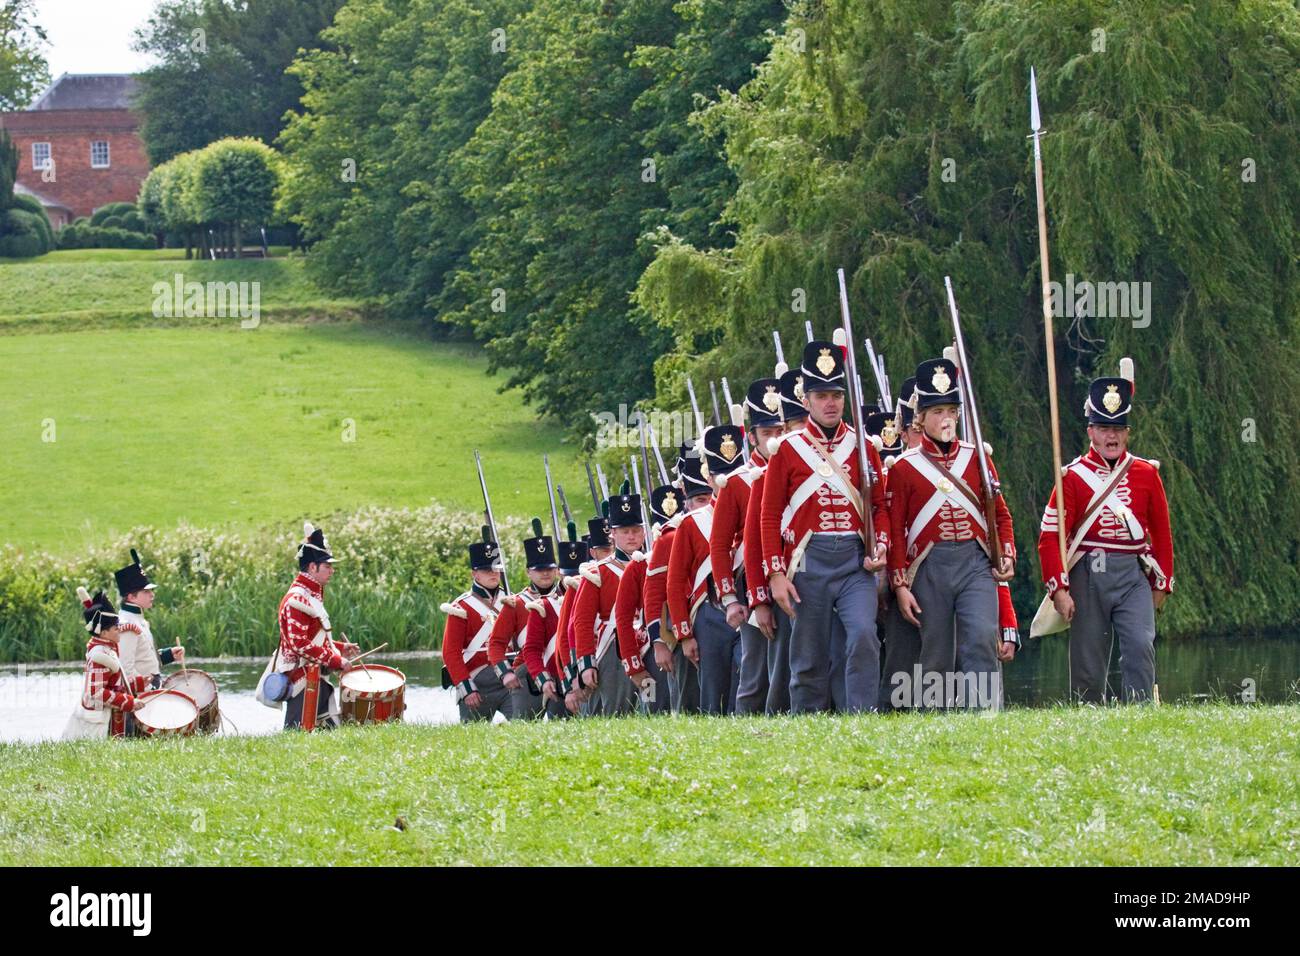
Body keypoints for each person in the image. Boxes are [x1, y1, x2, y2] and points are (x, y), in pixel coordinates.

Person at [760, 339, 890, 713]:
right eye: (821, 395)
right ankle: (807, 724)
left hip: (854, 560)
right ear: (807, 400)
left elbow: (879, 506)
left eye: (836, 394)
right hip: (808, 562)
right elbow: (769, 516)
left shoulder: (864, 447)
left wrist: (880, 544)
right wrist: (775, 575)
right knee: (809, 654)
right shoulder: (787, 449)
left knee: (864, 635)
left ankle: (862, 716)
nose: (830, 402)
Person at [1037, 360, 1173, 703]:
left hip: (1132, 575)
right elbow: (1050, 538)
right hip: (1088, 575)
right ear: (1091, 432)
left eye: (1118, 428)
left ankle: (1140, 713)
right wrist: (1059, 589)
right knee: (1087, 661)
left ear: (1127, 432)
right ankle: (1087, 718)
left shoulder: (1146, 474)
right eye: (1103, 427)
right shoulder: (1071, 477)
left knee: (1141, 645)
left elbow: (1162, 534)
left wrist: (1163, 583)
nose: (1111, 435)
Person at [886, 359, 1016, 710]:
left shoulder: (978, 459)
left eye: (951, 411)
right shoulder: (902, 468)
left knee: (979, 639)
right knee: (937, 654)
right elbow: (895, 530)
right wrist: (899, 584)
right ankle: (935, 723)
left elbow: (1000, 516)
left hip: (974, 563)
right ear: (921, 418)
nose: (946, 418)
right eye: (937, 410)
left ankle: (985, 719)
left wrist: (1006, 554)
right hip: (930, 565)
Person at [711, 376, 786, 714]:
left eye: (780, 430)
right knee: (755, 669)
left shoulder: (801, 469)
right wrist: (729, 599)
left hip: (795, 571)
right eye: (767, 433)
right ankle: (748, 730)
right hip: (752, 581)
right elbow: (719, 546)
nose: (775, 439)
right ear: (752, 436)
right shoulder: (737, 482)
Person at [667, 427, 747, 714]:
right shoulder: (692, 523)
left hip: (747, 601)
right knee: (713, 692)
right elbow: (675, 583)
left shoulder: (752, 507)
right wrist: (685, 635)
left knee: (747, 676)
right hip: (709, 614)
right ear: (709, 478)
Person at [274, 522, 358, 729]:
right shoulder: (297, 599)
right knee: (297, 734)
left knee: (327, 732)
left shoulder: (311, 594)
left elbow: (314, 637)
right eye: (327, 566)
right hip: (301, 679)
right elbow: (300, 644)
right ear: (312, 567)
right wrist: (335, 659)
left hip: (316, 675)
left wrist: (339, 648)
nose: (332, 571)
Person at [615, 484, 682, 713]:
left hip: (684, 640)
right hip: (651, 651)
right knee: (653, 709)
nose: (632, 536)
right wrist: (634, 667)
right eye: (625, 531)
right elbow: (622, 619)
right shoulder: (639, 566)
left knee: (685, 708)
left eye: (635, 530)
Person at [487, 518, 559, 720]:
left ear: (556, 569)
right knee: (525, 727)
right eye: (539, 569)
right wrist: (506, 673)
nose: (545, 573)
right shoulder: (515, 604)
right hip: (526, 674)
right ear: (528, 571)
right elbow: (496, 644)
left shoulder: (566, 598)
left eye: (549, 568)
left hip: (562, 668)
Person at [442, 526, 511, 722]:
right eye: (486, 569)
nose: (493, 573)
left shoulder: (511, 601)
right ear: (475, 573)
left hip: (509, 677)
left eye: (496, 569)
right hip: (477, 682)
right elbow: (451, 653)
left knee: (525, 726)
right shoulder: (461, 607)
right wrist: (466, 688)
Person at [643, 479, 698, 715]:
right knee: (678, 700)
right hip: (676, 628)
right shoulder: (666, 540)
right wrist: (658, 642)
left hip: (703, 619)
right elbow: (653, 596)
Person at [524, 522, 588, 719]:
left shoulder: (595, 598)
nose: (573, 580)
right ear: (560, 573)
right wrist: (543, 680)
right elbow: (531, 649)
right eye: (569, 575)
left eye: (578, 575)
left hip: (592, 678)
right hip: (560, 686)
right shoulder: (544, 606)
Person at [114, 549, 185, 707]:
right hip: (142, 698)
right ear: (131, 597)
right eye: (146, 591)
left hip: (149, 692)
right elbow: (125, 668)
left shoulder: (140, 621)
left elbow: (143, 658)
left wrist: (168, 655)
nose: (152, 594)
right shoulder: (126, 625)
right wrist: (147, 690)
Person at [63, 588, 136, 740]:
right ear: (104, 633)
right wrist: (128, 702)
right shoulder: (100, 656)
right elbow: (96, 693)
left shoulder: (106, 648)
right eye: (116, 629)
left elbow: (114, 681)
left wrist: (140, 683)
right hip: (96, 721)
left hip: (104, 714)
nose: (119, 631)